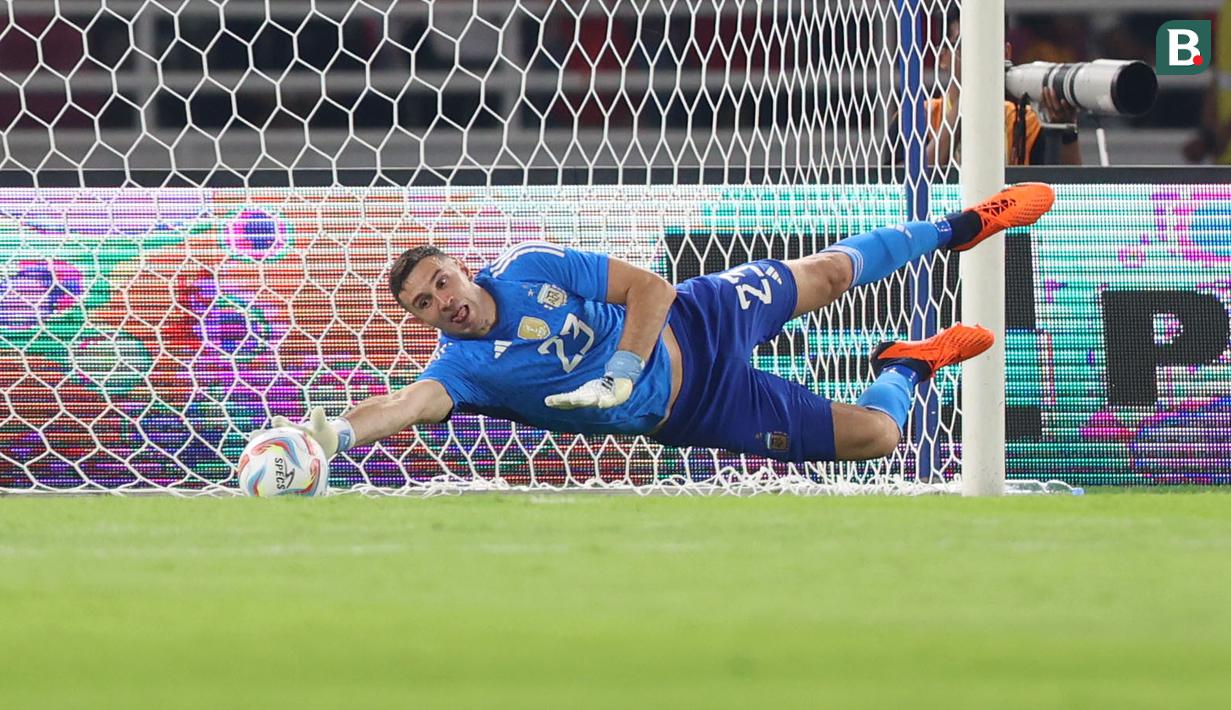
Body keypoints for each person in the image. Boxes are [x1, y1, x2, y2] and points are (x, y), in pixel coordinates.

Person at [269, 183, 1056, 465]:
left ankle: (960, 226)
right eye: (424, 305)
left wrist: (621, 368)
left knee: (826, 273)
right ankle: (912, 364)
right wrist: (328, 434)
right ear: (421, 322)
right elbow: (402, 405)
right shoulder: (460, 372)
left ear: (462, 269)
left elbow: (649, 286)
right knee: (879, 439)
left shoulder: (532, 267)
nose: (443, 302)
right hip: (699, 412)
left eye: (442, 281)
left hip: (698, 319)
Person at [928, 17, 1082, 167]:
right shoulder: (921, 117)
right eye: (966, 46)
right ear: (943, 57)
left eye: (989, 44)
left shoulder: (1027, 123)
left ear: (1006, 53)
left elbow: (1069, 188)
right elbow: (908, 182)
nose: (980, 57)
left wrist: (1066, 130)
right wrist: (967, 100)